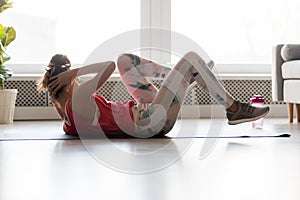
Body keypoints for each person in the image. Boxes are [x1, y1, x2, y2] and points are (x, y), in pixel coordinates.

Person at [37, 52, 269, 138]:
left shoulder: (65, 115)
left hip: (148, 112)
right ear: (68, 86)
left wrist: (68, 78)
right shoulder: (76, 99)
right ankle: (232, 108)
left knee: (124, 61)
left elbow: (114, 64)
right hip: (152, 120)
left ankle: (187, 75)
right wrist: (75, 72)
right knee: (191, 58)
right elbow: (106, 66)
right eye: (75, 81)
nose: (79, 82)